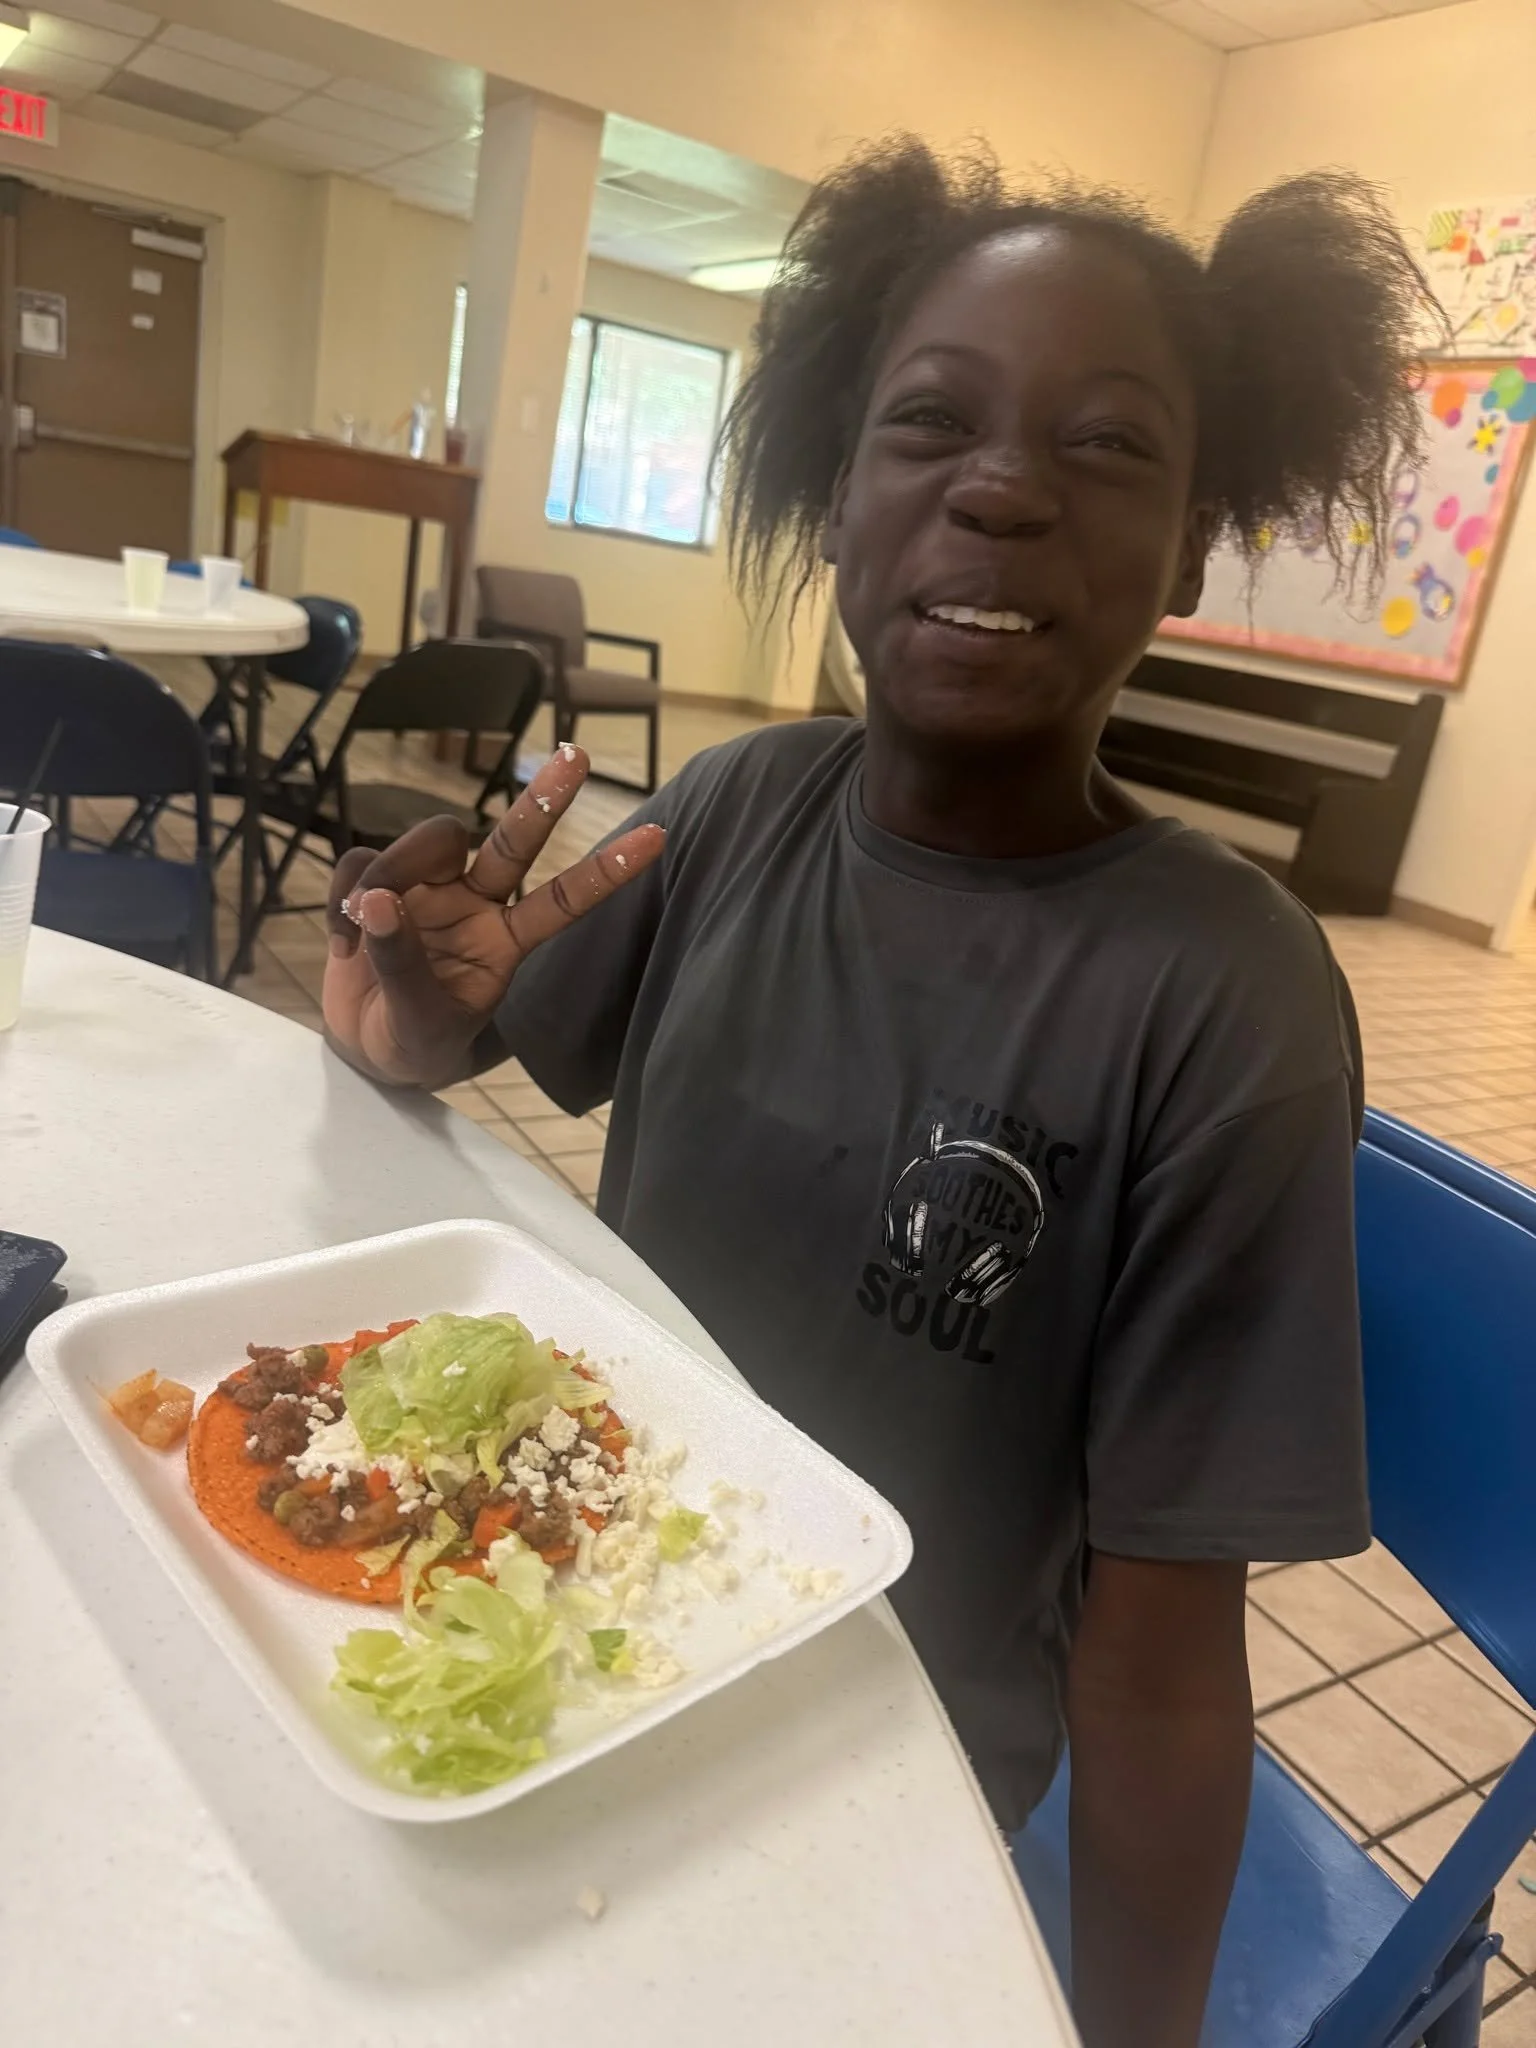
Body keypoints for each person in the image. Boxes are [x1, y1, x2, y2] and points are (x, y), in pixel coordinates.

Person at [322, 140, 1434, 2048]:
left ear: (1186, 550)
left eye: (1105, 447)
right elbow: (460, 1037)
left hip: (875, 1767)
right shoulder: (742, 814)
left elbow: (1166, 1669)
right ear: (837, 496)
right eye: (933, 423)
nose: (1002, 488)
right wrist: (408, 1018)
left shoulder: (1222, 995)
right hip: (561, 1641)